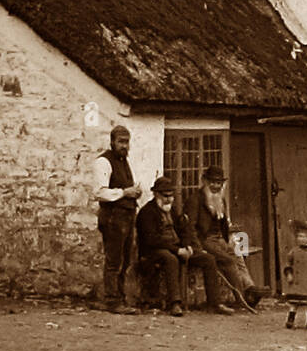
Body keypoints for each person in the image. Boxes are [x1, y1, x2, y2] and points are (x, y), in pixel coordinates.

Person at [135, 177, 233, 316]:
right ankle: (175, 303)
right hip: (154, 251)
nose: (169, 199)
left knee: (208, 259)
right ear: (156, 194)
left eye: (171, 196)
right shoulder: (147, 212)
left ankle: (214, 303)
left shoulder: (172, 211)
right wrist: (177, 250)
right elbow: (152, 240)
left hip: (176, 248)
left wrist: (187, 246)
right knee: (171, 259)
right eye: (165, 196)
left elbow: (184, 229)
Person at [183, 165, 262, 308]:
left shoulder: (220, 199)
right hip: (205, 240)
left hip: (220, 239)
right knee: (228, 261)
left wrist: (230, 239)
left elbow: (224, 223)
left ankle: (250, 289)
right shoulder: (195, 200)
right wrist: (198, 248)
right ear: (205, 182)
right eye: (212, 182)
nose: (215, 186)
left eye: (218, 183)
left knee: (238, 254)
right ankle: (241, 299)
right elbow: (190, 227)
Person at [93, 125, 143, 313]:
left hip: (128, 216)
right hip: (113, 217)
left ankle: (120, 298)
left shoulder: (124, 161)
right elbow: (99, 192)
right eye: (121, 141)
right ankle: (112, 301)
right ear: (112, 142)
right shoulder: (103, 162)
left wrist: (135, 193)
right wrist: (124, 192)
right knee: (114, 260)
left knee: (126, 259)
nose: (124, 145)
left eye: (127, 141)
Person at [282, 218, 307, 329]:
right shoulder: (294, 251)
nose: (300, 239)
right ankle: (290, 319)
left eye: (303, 236)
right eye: (299, 236)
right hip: (297, 282)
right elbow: (288, 263)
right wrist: (289, 274)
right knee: (294, 303)